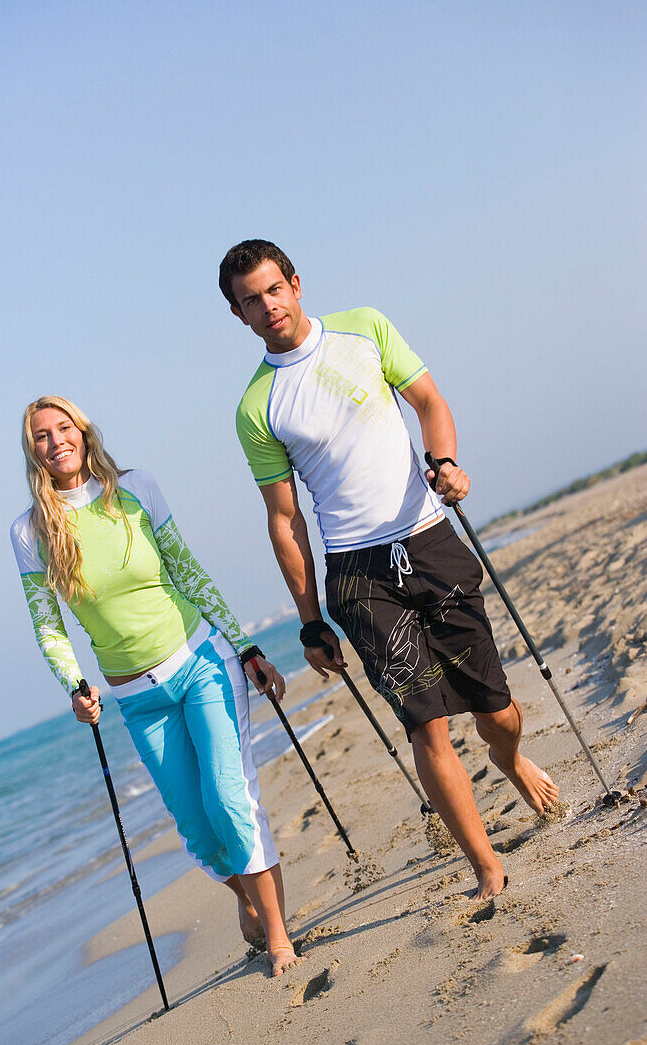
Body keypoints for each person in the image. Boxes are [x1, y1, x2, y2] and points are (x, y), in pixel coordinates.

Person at [219, 239, 559, 900]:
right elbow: (285, 522)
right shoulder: (255, 408)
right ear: (239, 317)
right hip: (357, 575)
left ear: (295, 283)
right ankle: (485, 868)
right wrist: (310, 621)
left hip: (429, 541)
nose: (267, 307)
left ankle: (510, 761)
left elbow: (428, 401)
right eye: (250, 301)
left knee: (495, 712)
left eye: (273, 290)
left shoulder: (364, 329)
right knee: (424, 722)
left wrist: (443, 463)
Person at [10, 394, 303, 976]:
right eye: (41, 435)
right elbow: (48, 625)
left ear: (83, 431)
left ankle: (278, 939)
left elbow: (186, 569)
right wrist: (74, 683)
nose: (55, 441)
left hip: (200, 661)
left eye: (62, 427)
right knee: (196, 825)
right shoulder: (30, 531)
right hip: (136, 698)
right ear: (32, 451)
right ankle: (245, 896)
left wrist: (244, 646)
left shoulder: (136, 487)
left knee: (228, 798)